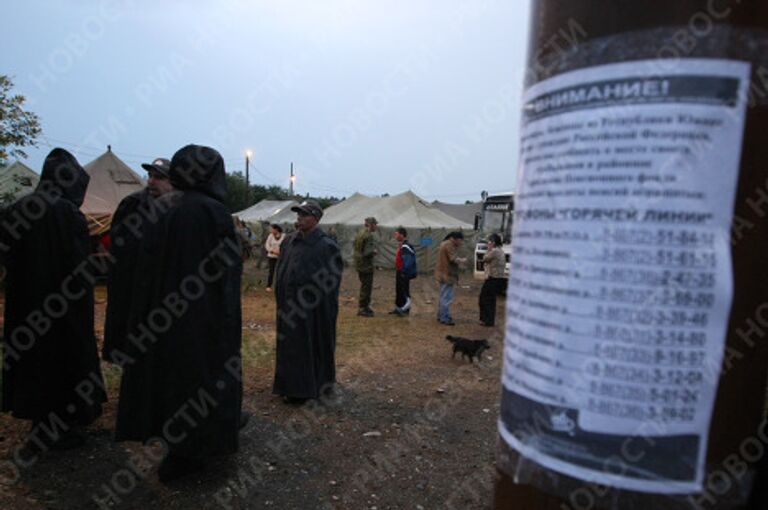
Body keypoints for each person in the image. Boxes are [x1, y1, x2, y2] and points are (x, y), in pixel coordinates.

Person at [115, 145, 245, 482]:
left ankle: (171, 447)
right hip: (202, 322)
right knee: (198, 383)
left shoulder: (159, 210)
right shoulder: (213, 213)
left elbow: (140, 269)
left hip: (159, 318)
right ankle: (192, 453)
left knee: (165, 381)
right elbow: (225, 279)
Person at [1, 148, 106, 449]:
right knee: (62, 363)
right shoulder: (66, 214)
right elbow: (76, 265)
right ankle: (56, 429)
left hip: (25, 305)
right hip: (63, 309)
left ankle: (40, 423)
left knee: (33, 363)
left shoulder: (18, 208)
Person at [103, 157, 173, 362]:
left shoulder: (177, 207)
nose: (151, 181)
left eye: (159, 177)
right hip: (135, 285)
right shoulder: (133, 204)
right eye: (150, 176)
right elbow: (119, 248)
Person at [273, 200, 342, 404]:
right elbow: (282, 270)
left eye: (304, 214)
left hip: (311, 311)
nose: (299, 218)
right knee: (288, 346)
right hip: (287, 306)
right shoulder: (289, 241)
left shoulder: (326, 246)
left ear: (316, 218)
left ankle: (307, 388)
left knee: (309, 346)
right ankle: (288, 386)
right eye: (298, 214)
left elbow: (331, 283)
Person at [434, 231, 467, 326]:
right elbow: (453, 259)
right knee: (446, 297)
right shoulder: (449, 245)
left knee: (443, 296)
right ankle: (444, 317)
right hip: (447, 275)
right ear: (456, 239)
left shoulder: (444, 243)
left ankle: (441, 316)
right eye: (461, 241)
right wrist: (463, 260)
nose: (461, 243)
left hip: (442, 274)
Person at [478, 233, 506, 327]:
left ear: (493, 242)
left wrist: (488, 250)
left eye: (489, 241)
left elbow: (485, 258)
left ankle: (487, 320)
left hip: (493, 278)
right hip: (497, 278)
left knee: (485, 299)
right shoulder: (500, 250)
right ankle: (487, 320)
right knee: (490, 299)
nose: (487, 243)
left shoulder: (494, 251)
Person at [389, 226, 417, 316]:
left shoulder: (406, 246)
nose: (395, 236)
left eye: (396, 234)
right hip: (400, 271)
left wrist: (404, 272)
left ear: (402, 235)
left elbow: (408, 261)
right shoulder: (401, 245)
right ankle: (398, 308)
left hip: (404, 272)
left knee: (404, 290)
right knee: (399, 290)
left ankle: (405, 309)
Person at [354, 216, 377, 317]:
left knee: (364, 285)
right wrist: (374, 252)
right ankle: (363, 308)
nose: (376, 226)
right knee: (366, 287)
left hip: (359, 263)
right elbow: (367, 252)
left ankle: (364, 306)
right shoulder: (369, 236)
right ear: (371, 224)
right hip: (366, 265)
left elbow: (356, 247)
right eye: (375, 224)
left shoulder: (360, 233)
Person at [264, 223, 284, 291]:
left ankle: (279, 286)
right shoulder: (270, 236)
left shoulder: (284, 236)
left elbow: (285, 245)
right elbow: (267, 244)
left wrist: (280, 252)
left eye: (272, 229)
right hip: (271, 256)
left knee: (280, 271)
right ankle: (269, 286)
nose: (271, 230)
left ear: (276, 229)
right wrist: (271, 251)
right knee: (271, 271)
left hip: (280, 256)